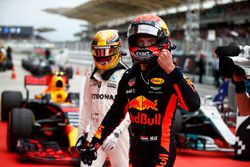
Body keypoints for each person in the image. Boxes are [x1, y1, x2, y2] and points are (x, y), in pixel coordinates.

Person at [76, 14, 200, 167]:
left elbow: (192, 105)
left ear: (162, 41)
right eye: (140, 41)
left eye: (149, 41)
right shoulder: (128, 76)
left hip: (161, 150)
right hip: (136, 149)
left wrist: (172, 71)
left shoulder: (172, 74)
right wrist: (94, 144)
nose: (144, 45)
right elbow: (114, 115)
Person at [77, 29, 130, 167]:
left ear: (116, 51)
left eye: (105, 52)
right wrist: (79, 136)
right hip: (94, 133)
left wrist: (116, 134)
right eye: (98, 52)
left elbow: (130, 110)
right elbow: (87, 106)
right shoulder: (90, 74)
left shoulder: (126, 75)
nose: (102, 56)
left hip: (118, 136)